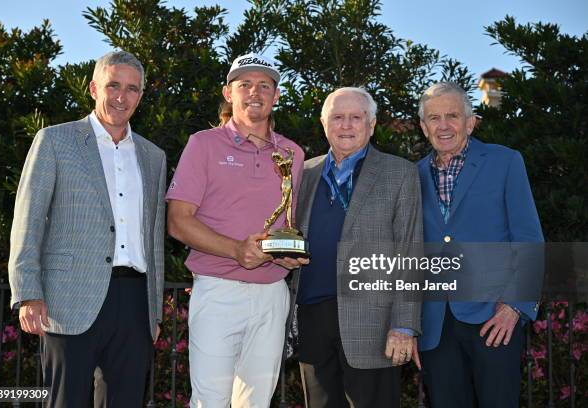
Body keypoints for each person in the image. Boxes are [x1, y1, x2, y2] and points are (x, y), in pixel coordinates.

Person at [8, 50, 166, 407]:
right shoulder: (55, 141)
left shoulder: (153, 156)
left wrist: (153, 311)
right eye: (113, 85)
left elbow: (154, 238)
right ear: (94, 88)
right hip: (68, 298)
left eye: (132, 89)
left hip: (135, 304)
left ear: (140, 96)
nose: (121, 96)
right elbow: (28, 220)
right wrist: (28, 291)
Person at [166, 52, 308, 407]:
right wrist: (236, 250)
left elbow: (288, 223)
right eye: (244, 84)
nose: (254, 92)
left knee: (256, 402)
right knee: (210, 400)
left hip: (274, 292)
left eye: (264, 85)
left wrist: (287, 254)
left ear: (276, 96)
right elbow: (178, 221)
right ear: (229, 94)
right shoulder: (203, 144)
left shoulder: (293, 153)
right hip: (218, 291)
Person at [288, 87, 423, 408]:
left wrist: (403, 325)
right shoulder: (303, 173)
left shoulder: (399, 172)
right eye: (337, 117)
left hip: (373, 323)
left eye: (355, 117)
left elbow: (410, 250)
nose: (346, 125)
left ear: (372, 124)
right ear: (324, 124)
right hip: (311, 317)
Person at [416, 82, 543, 408]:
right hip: (435, 324)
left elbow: (528, 239)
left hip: (494, 317)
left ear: (470, 122)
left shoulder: (505, 162)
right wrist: (409, 325)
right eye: (434, 117)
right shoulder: (411, 175)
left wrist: (515, 306)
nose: (443, 125)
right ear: (423, 126)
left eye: (452, 116)